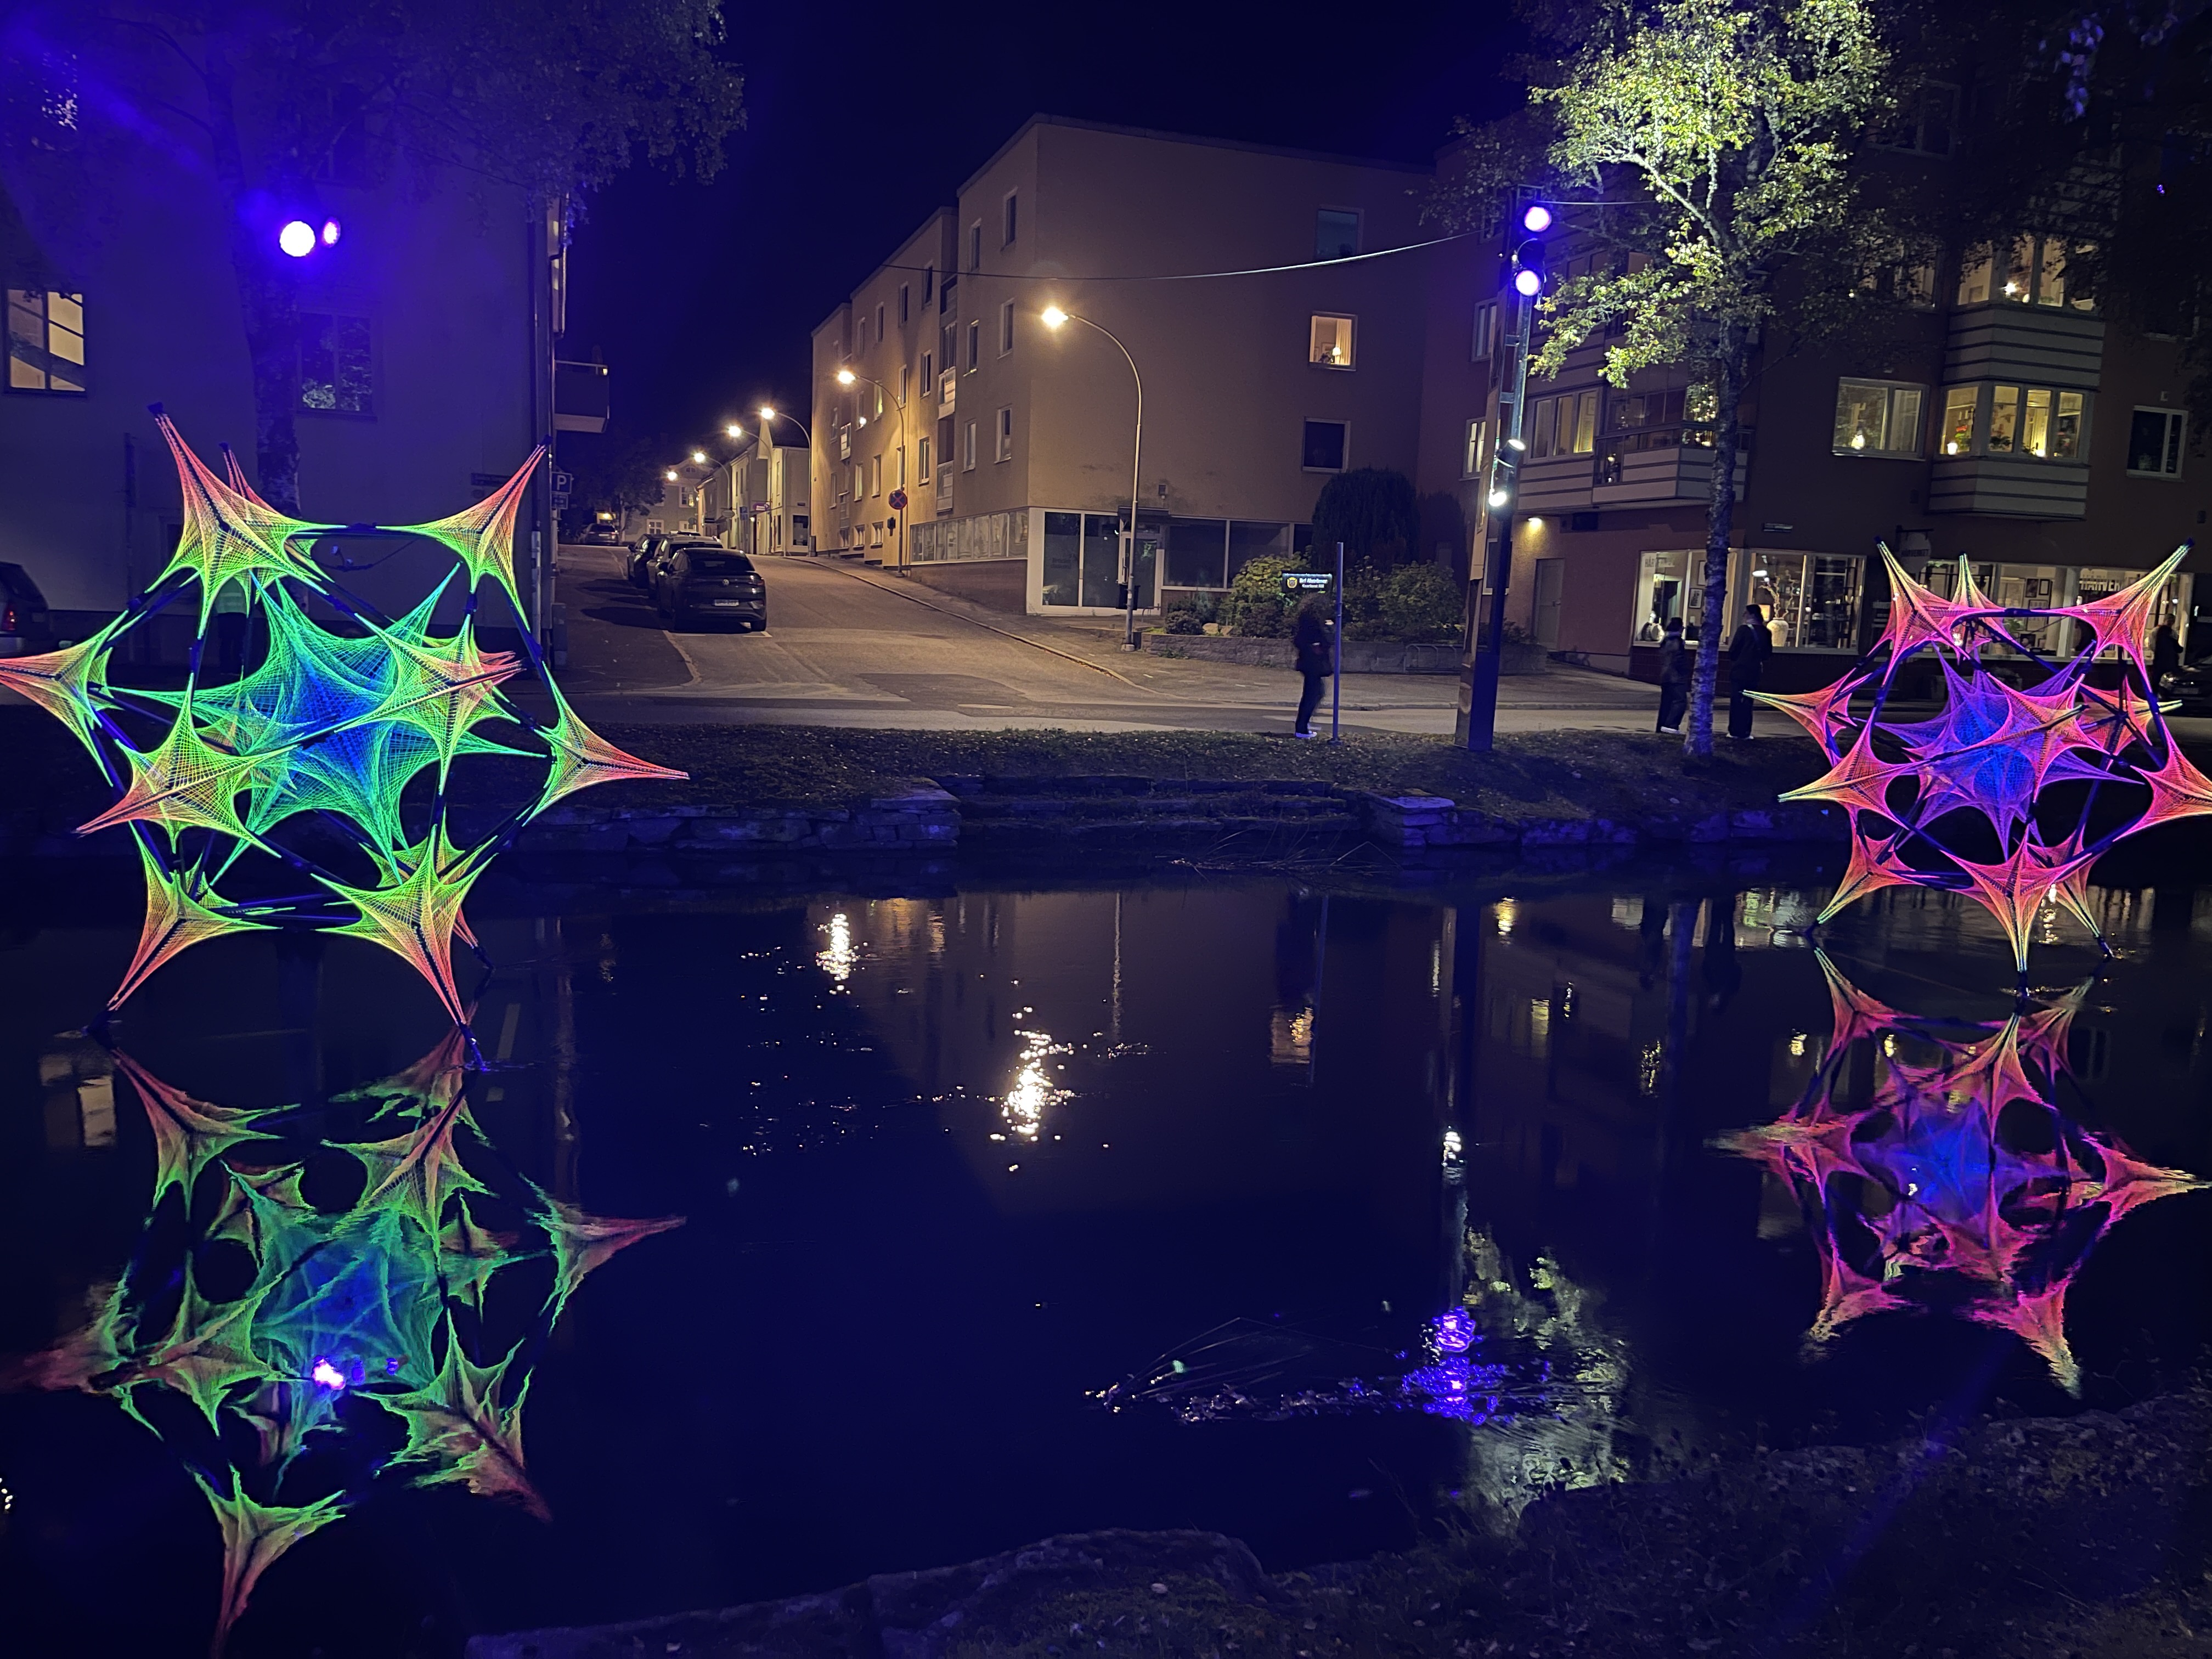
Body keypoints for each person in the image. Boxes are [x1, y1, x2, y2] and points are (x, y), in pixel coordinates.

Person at [1726, 603, 1771, 740]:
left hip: (1740, 670)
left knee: (1736, 701)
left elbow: (1733, 651)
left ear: (1751, 615)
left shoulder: (1743, 630)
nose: (1744, 616)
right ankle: (1746, 731)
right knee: (1748, 701)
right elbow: (1767, 654)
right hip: (1754, 672)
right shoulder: (1766, 632)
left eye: (1745, 613)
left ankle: (1735, 731)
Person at [1291, 597, 1333, 738]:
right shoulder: (1312, 624)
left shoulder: (1306, 621)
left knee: (1314, 694)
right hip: (1313, 664)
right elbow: (1323, 640)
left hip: (1309, 664)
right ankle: (1302, 728)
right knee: (1313, 695)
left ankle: (1303, 725)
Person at [1655, 616, 1688, 735]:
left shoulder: (1666, 641)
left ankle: (1662, 726)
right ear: (1680, 628)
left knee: (1667, 703)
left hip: (1666, 676)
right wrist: (1684, 672)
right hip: (1676, 677)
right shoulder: (1677, 642)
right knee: (1680, 701)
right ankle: (1671, 725)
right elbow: (1678, 661)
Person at [2152, 619, 2182, 688]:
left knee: (2157, 680)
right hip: (2170, 664)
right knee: (2168, 681)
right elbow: (2180, 649)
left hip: (2159, 663)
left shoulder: (2159, 642)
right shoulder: (2171, 640)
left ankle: (2155, 691)